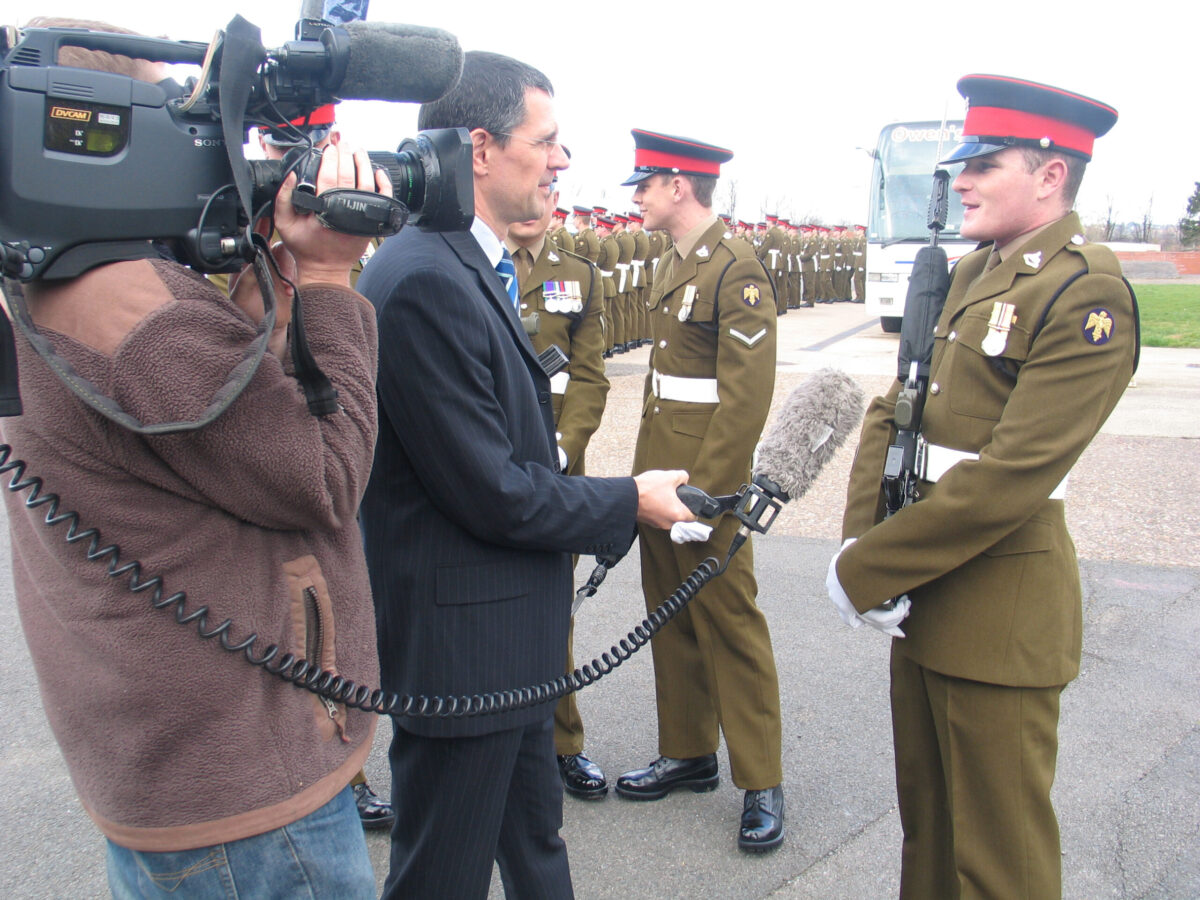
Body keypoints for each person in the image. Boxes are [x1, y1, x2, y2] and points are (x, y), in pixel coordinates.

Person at [1, 17, 391, 897]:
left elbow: (215, 421)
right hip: (247, 795)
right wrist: (331, 279)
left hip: (168, 765)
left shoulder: (52, 268)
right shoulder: (140, 319)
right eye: (168, 121)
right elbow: (325, 477)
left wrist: (272, 281)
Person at [356, 51, 695, 900]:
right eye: (545, 142)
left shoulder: (464, 263)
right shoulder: (425, 278)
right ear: (480, 148)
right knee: (441, 877)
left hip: (506, 647)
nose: (561, 161)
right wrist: (629, 500)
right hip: (467, 657)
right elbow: (493, 491)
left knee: (538, 852)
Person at [829, 74, 1138, 899]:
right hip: (924, 592)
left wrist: (870, 567)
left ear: (1050, 174)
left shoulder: (1084, 290)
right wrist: (864, 538)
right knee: (929, 837)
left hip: (999, 612)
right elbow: (897, 409)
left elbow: (1010, 477)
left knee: (1000, 865)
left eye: (983, 164)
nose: (960, 182)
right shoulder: (971, 273)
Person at [616, 129, 786, 853]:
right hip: (661, 472)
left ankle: (763, 779)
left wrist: (708, 495)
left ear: (679, 185)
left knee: (729, 621)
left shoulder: (734, 267)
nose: (637, 196)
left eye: (645, 183)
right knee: (669, 613)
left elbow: (746, 399)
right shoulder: (674, 260)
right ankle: (688, 751)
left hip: (702, 483)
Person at [507, 183, 611, 800]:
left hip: (556, 464)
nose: (535, 205)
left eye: (547, 193)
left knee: (553, 604)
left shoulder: (577, 275)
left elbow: (590, 375)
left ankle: (562, 741)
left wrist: (566, 447)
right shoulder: (473, 262)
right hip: (486, 454)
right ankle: (493, 741)